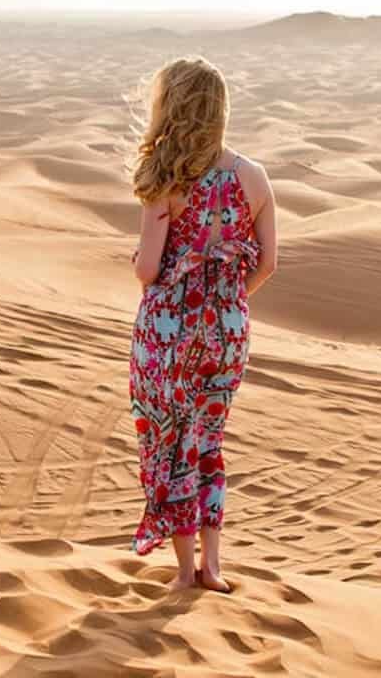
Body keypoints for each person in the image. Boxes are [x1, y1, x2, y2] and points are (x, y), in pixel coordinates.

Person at [126, 55, 279, 593]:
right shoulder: (253, 177)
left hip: (168, 331)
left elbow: (149, 269)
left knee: (171, 442)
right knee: (208, 440)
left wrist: (153, 272)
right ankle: (213, 567)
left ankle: (184, 570)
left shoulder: (164, 178)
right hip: (228, 331)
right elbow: (268, 264)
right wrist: (226, 302)